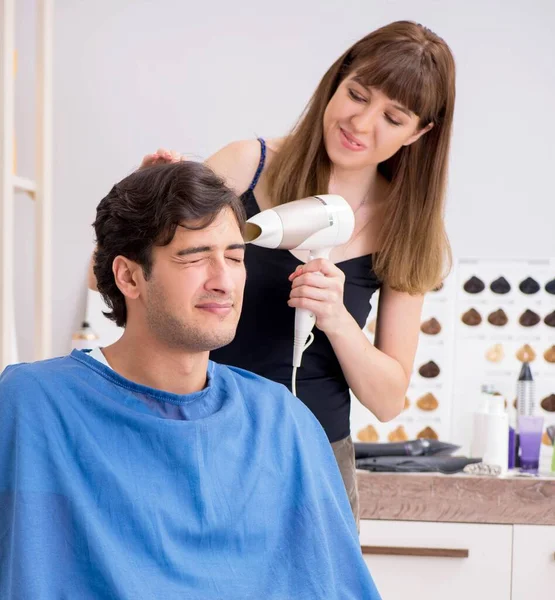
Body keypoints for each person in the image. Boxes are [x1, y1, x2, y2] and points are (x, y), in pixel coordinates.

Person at [95, 19, 457, 523]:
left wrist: (336, 319)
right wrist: (139, 205)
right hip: (195, 436)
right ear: (336, 81)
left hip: (315, 461)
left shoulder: (406, 226)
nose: (361, 123)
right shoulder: (249, 165)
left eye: (393, 118)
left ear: (420, 132)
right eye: (357, 94)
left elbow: (389, 399)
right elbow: (108, 278)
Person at [0, 162, 381, 599]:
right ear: (128, 276)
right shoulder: (34, 406)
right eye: (195, 257)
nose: (224, 281)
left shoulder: (282, 422)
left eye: (236, 258)